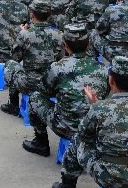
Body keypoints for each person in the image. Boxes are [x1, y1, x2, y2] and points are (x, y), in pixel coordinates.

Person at [52, 56, 128, 188]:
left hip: (110, 178)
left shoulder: (100, 108)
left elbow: (84, 134)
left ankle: (67, 187)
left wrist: (95, 106)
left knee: (77, 140)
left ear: (111, 80)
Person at [23, 24, 109, 157]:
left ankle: (41, 142)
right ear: (88, 44)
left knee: (35, 97)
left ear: (65, 45)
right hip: (93, 128)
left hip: (66, 127)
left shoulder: (57, 67)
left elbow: (44, 92)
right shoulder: (103, 69)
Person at [2, 0, 64, 116]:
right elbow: (60, 59)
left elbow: (15, 57)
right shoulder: (59, 35)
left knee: (10, 65)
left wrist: (21, 33)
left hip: (29, 83)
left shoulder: (25, 34)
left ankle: (13, 105)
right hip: (50, 84)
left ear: (32, 14)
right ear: (49, 14)